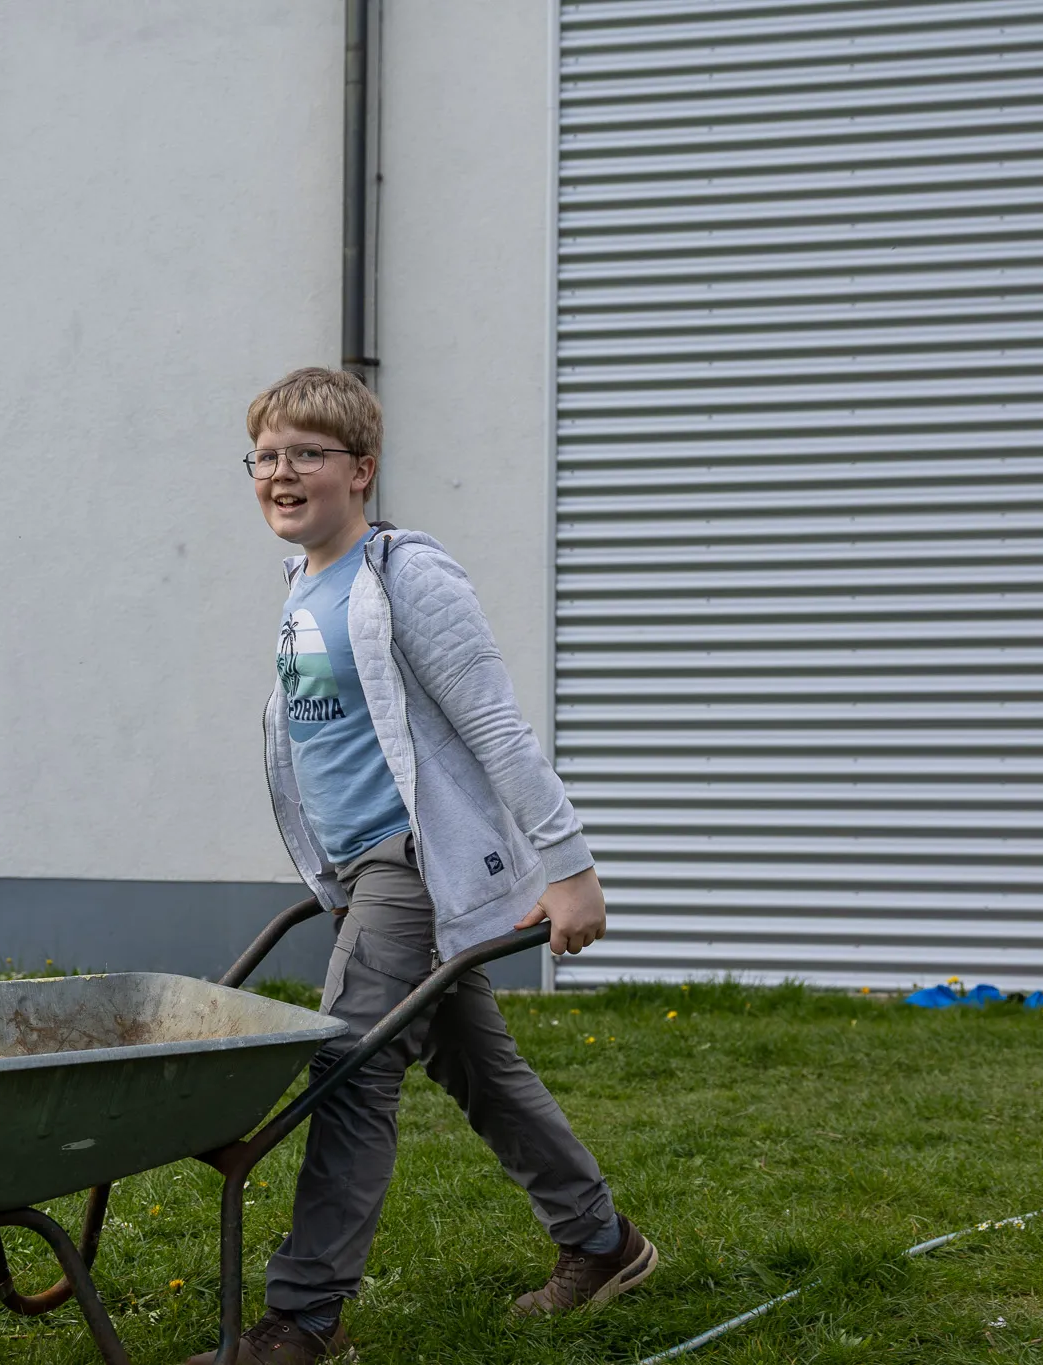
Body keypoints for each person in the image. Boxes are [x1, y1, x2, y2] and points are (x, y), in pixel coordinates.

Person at [187, 368, 657, 1364]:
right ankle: (602, 1242)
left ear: (359, 471)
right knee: (476, 1065)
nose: (279, 473)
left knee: (348, 1068)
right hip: (360, 869)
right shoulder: (304, 588)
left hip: (410, 861)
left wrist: (568, 867)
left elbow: (492, 725)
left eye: (305, 454)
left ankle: (303, 1322)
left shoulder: (406, 576)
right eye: (264, 456)